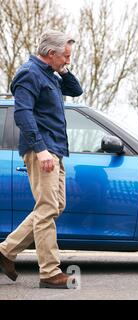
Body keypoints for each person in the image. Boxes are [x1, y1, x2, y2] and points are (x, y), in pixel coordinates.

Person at [0, 30, 83, 289]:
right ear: (50, 53)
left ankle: (5, 251)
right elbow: (23, 114)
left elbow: (76, 90)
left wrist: (64, 70)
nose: (68, 61)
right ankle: (49, 271)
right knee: (47, 209)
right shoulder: (29, 74)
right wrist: (41, 150)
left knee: (54, 206)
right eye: (65, 56)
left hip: (55, 149)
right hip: (43, 151)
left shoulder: (50, 74)